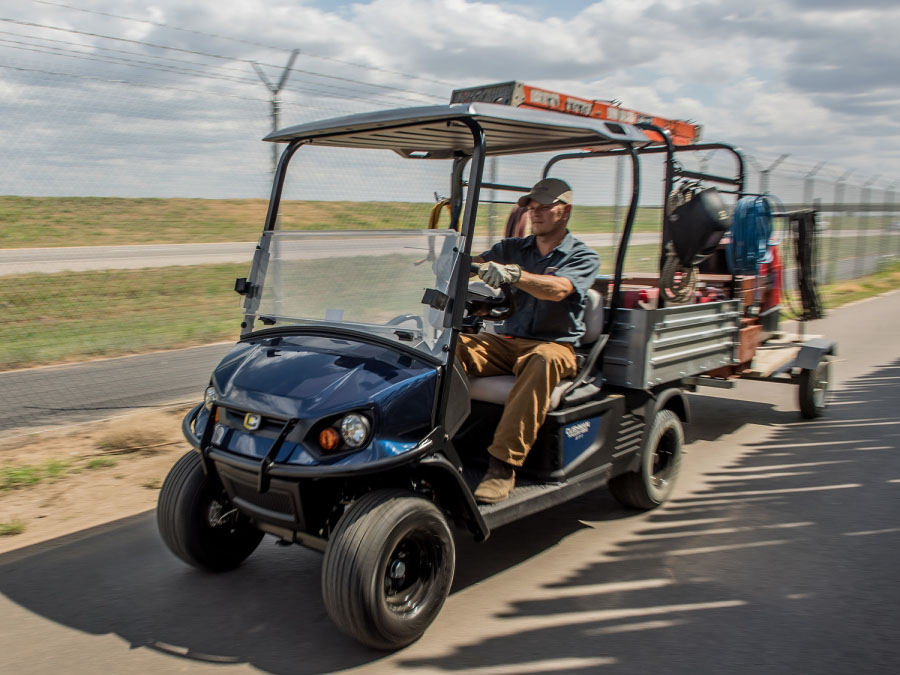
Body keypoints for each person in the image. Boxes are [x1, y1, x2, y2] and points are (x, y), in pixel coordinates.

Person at [457, 178, 601, 503]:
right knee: (448, 347)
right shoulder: (512, 248)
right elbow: (470, 267)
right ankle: (438, 436)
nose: (535, 213)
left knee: (541, 361)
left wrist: (516, 276)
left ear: (565, 212)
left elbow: (559, 289)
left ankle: (502, 467)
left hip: (555, 347)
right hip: (508, 342)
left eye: (545, 206)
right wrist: (453, 264)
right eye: (532, 207)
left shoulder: (582, 256)